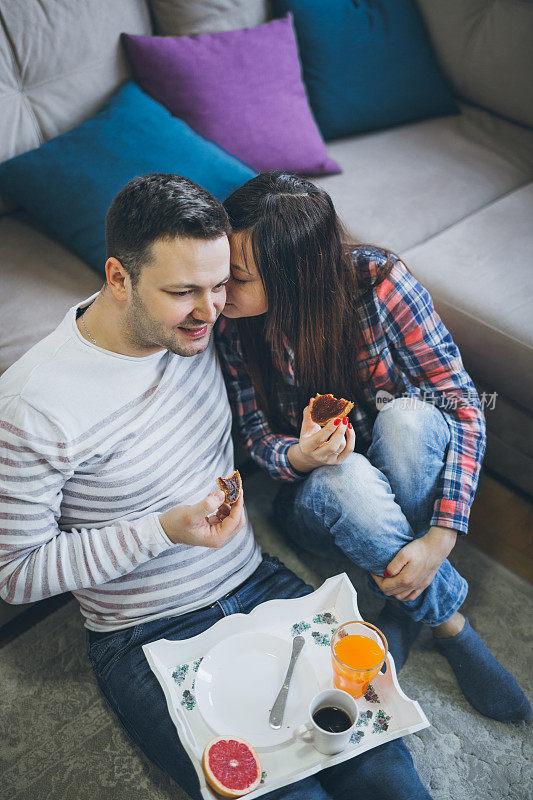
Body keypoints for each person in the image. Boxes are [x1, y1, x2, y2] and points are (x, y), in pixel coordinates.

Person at [0, 174, 434, 800]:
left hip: (256, 581)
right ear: (119, 279)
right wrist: (160, 531)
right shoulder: (33, 410)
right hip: (143, 633)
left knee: (384, 768)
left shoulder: (208, 328)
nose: (211, 312)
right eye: (183, 292)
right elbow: (13, 574)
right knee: (284, 793)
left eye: (221, 283)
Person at [216, 170, 530, 724]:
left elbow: (462, 405)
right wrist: (299, 457)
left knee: (409, 418)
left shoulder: (382, 286)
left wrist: (440, 537)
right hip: (314, 499)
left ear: (291, 279)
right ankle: (449, 624)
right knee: (347, 476)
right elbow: (254, 434)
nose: (218, 289)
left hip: (399, 465)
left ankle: (404, 591)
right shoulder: (228, 318)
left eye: (236, 277)